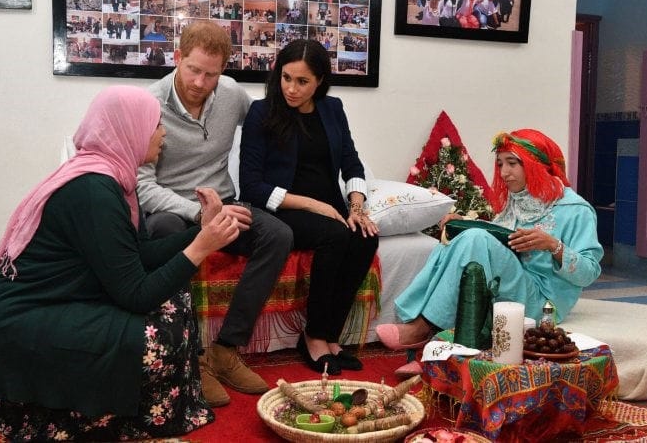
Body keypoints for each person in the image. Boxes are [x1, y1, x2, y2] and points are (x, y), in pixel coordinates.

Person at [0, 86, 240, 441]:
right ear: (129, 129)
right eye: (156, 125)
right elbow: (135, 295)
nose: (163, 133)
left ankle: (146, 404)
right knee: (159, 334)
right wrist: (200, 248)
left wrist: (202, 231)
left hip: (55, 301)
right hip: (24, 321)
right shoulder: (94, 190)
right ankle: (116, 415)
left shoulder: (113, 179)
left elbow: (138, 255)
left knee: (178, 300)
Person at [137, 21, 293, 407]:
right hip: (171, 208)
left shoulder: (230, 94)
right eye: (193, 69)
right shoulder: (147, 105)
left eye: (212, 73)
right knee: (165, 233)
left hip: (224, 203)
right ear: (177, 58)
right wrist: (197, 213)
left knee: (278, 235)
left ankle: (225, 351)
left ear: (224, 69)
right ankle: (187, 359)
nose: (200, 82)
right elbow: (142, 185)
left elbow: (265, 129)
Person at [376, 129, 603, 353]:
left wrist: (553, 245)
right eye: (500, 164)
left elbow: (589, 272)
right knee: (465, 238)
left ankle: (423, 327)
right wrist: (462, 225)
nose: (504, 172)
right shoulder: (517, 201)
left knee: (475, 238)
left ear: (535, 163)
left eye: (512, 163)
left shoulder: (575, 210)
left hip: (543, 304)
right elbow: (500, 244)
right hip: (511, 287)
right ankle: (437, 341)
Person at [239, 39, 379, 375]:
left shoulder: (333, 109)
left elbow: (351, 162)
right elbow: (251, 186)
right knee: (335, 236)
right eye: (286, 78)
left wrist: (356, 206)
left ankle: (332, 335)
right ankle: (313, 336)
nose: (291, 88)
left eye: (302, 81)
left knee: (365, 237)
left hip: (327, 208)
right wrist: (313, 205)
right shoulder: (262, 112)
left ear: (319, 81)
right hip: (282, 209)